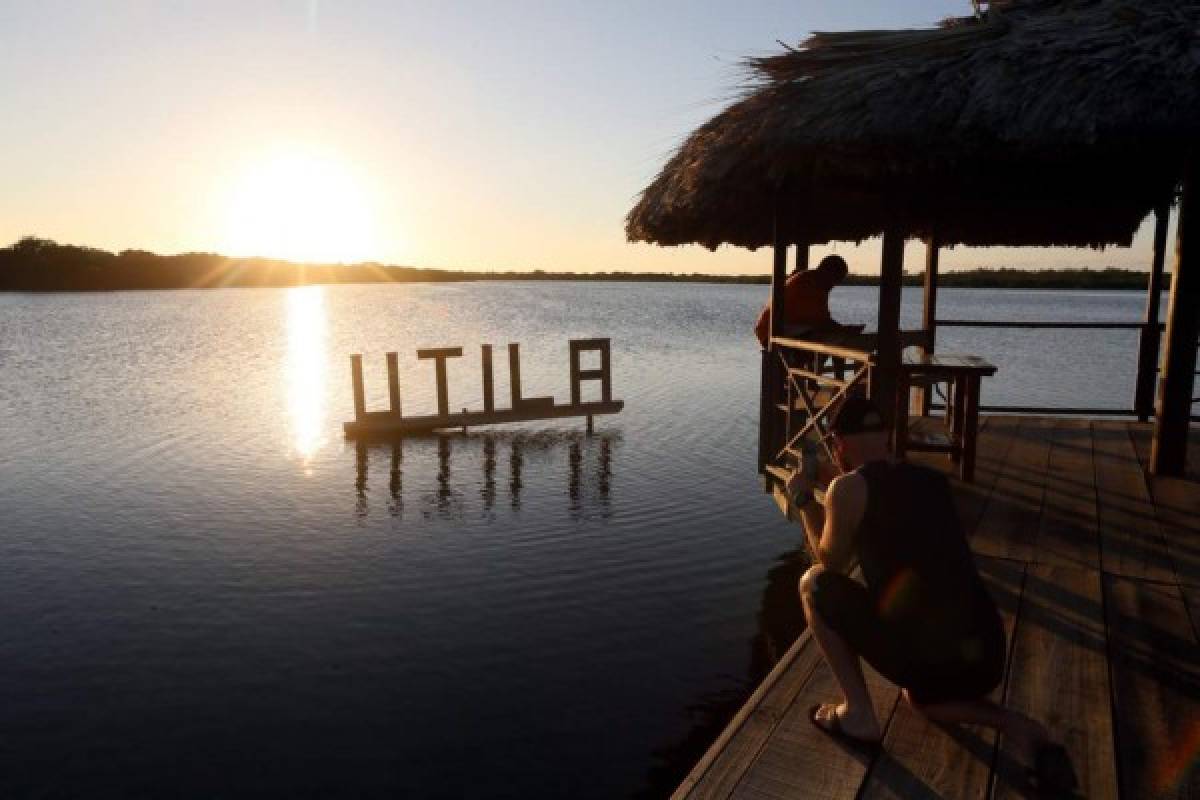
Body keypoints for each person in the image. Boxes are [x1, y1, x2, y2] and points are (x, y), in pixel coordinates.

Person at [785, 395, 1076, 794]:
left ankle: (857, 714)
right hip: (985, 654)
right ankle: (1018, 726)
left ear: (839, 445)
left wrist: (803, 499)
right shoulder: (931, 481)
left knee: (813, 583)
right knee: (919, 699)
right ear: (886, 436)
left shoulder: (846, 489)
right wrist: (831, 481)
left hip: (927, 656)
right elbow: (876, 488)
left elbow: (829, 561)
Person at [753, 254, 850, 349]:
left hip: (785, 327)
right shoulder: (809, 282)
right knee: (829, 338)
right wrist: (841, 329)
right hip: (770, 330)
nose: (834, 285)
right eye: (836, 279)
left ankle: (816, 363)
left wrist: (840, 329)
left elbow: (821, 317)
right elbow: (818, 318)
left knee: (833, 337)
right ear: (828, 272)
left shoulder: (816, 282)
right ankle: (815, 364)